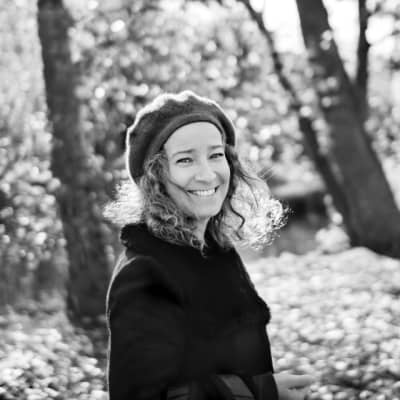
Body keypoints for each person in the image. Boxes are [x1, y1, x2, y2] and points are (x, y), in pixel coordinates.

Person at [104, 91, 315, 400]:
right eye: (185, 159)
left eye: (215, 155)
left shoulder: (216, 251)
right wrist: (262, 391)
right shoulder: (145, 273)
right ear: (155, 176)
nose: (207, 174)